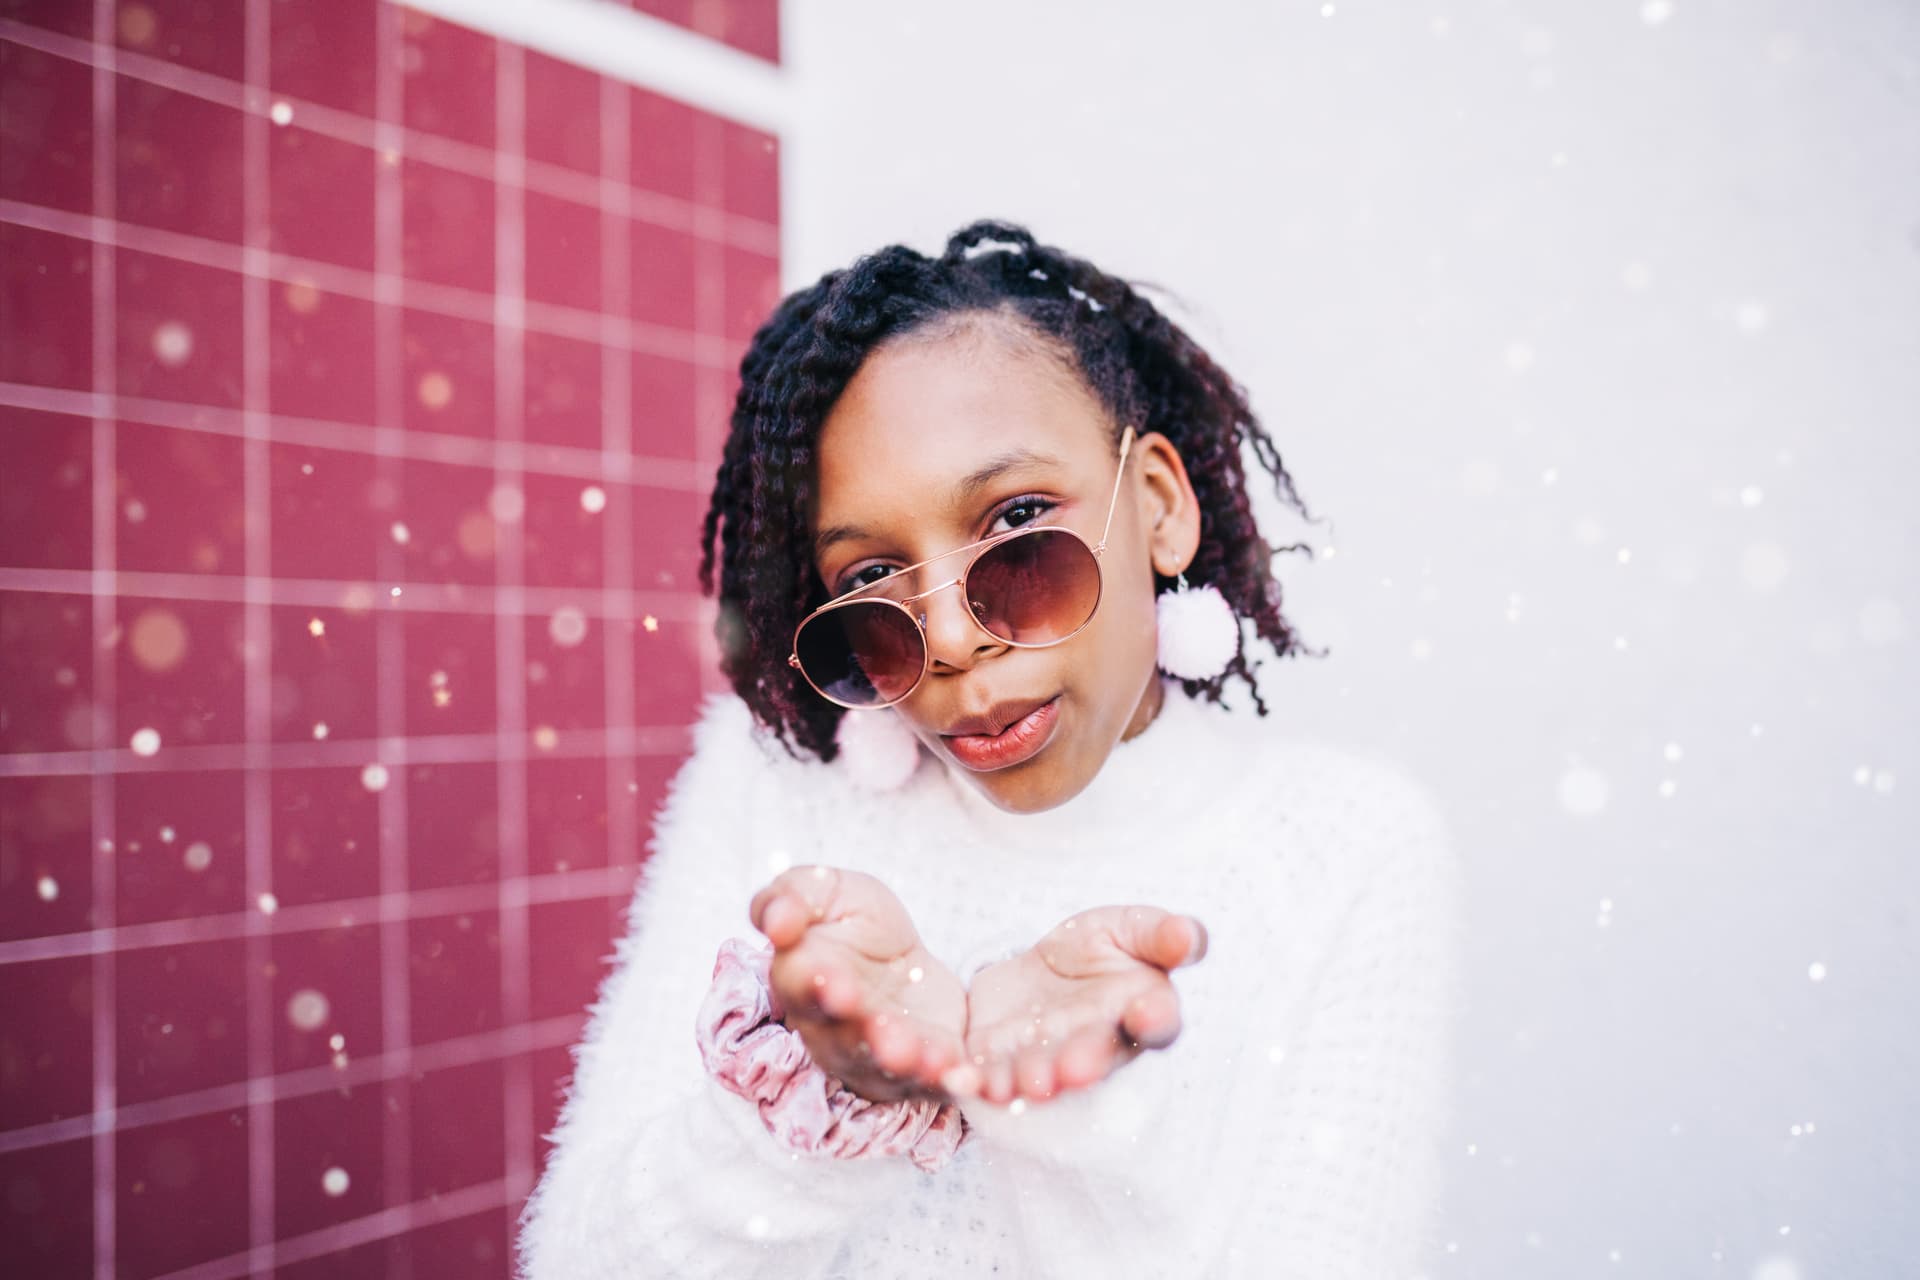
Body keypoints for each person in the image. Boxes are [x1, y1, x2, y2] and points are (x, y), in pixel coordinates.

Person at [514, 219, 1465, 1278]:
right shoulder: (776, 790)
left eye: (1017, 527)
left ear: (1156, 507)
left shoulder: (1347, 848)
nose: (954, 641)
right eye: (870, 582)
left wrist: (1070, 1123)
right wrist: (822, 1106)